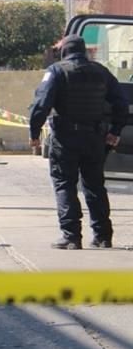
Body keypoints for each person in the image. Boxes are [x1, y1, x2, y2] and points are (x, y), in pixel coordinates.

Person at [28, 34, 127, 250]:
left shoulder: (56, 71)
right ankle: (103, 236)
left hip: (65, 139)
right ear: (83, 51)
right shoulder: (102, 72)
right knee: (95, 186)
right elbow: (121, 102)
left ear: (64, 50)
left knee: (64, 184)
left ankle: (71, 236)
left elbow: (41, 105)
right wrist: (116, 130)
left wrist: (34, 133)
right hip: (94, 138)